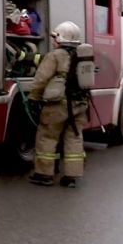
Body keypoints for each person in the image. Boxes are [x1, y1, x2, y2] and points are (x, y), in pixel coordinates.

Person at [27, 21, 88, 188]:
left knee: (47, 136)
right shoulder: (83, 55)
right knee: (74, 138)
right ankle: (71, 177)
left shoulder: (55, 55)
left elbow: (41, 79)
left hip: (58, 105)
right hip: (80, 104)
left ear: (61, 38)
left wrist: (34, 98)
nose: (53, 41)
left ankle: (44, 175)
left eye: (55, 37)